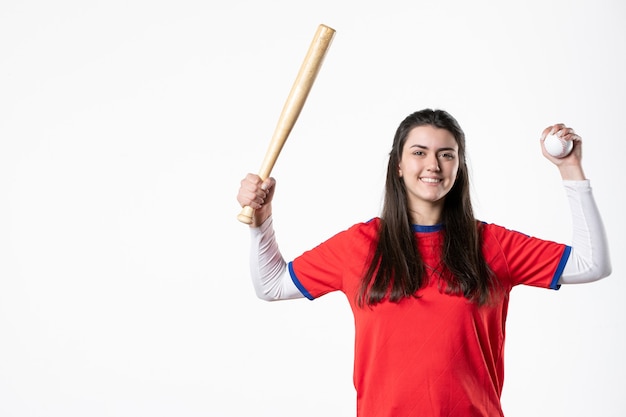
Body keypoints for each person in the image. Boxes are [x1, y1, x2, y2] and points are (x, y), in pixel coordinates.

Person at [236, 109, 611, 417]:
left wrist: (570, 169)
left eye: (446, 154)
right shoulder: (359, 245)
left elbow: (591, 263)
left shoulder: (492, 244)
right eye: (419, 152)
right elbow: (271, 285)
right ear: (398, 165)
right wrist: (261, 219)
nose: (433, 164)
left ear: (458, 167)